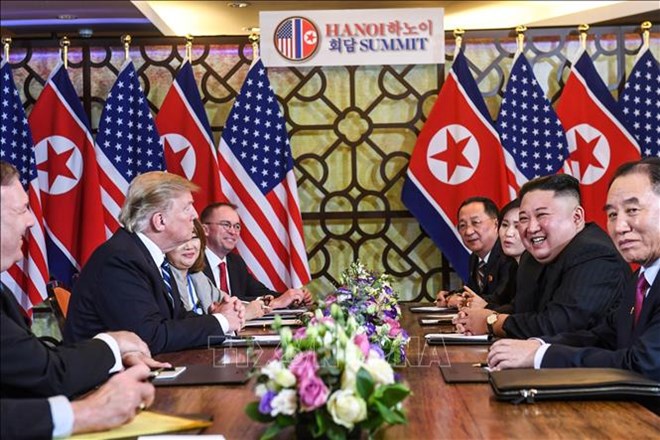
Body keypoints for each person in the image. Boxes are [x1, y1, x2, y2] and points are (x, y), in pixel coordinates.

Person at [0, 161, 160, 438]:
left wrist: (115, 348)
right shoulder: (120, 257)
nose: (31, 220)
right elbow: (47, 374)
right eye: (22, 209)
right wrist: (85, 413)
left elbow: (34, 362)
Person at [487, 158, 660, 383]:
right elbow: (604, 336)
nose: (619, 227)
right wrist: (536, 345)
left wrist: (540, 356)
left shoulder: (596, 255)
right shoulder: (642, 278)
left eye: (633, 210)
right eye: (613, 215)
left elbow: (643, 364)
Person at [64, 172, 245, 354]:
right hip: (110, 380)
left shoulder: (151, 257)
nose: (195, 215)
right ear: (159, 221)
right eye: (187, 208)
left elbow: (177, 318)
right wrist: (221, 321)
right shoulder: (120, 259)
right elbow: (149, 338)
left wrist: (215, 317)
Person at [454, 174, 629, 339]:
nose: (531, 228)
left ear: (576, 217)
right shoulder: (531, 257)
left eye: (541, 215)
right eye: (524, 218)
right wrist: (475, 317)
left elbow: (559, 325)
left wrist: (490, 322)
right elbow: (523, 310)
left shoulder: (595, 254)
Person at [200, 202, 312, 309]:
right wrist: (273, 302)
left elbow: (260, 292)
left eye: (237, 226)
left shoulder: (235, 262)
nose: (233, 232)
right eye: (226, 225)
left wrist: (292, 297)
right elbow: (215, 304)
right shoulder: (193, 263)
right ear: (205, 229)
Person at [166, 218, 267, 320]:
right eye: (181, 240)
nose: (189, 246)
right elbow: (184, 325)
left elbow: (228, 302)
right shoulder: (164, 278)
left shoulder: (197, 277)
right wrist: (244, 314)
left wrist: (251, 306)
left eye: (194, 238)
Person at [436, 197, 516, 310]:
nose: (468, 231)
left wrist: (463, 301)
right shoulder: (475, 258)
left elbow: (500, 299)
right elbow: (473, 291)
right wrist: (450, 296)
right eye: (462, 225)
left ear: (496, 224)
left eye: (476, 222)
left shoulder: (509, 255)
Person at [463, 199, 524, 312]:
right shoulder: (474, 258)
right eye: (505, 225)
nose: (508, 233)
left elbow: (519, 311)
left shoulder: (509, 261)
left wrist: (484, 309)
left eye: (517, 226)